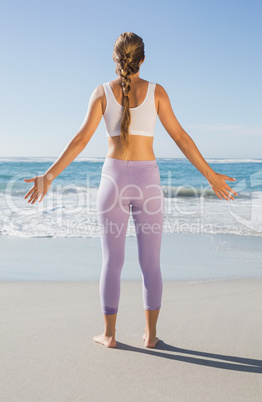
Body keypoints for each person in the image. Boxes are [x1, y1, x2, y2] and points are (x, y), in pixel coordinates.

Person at [24, 32, 238, 349]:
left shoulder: (100, 93)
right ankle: (150, 336)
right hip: (148, 183)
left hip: (112, 183)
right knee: (150, 263)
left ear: (115, 59)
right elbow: (180, 137)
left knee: (112, 262)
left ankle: (109, 335)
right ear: (143, 59)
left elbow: (80, 141)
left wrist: (50, 175)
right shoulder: (157, 92)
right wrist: (210, 176)